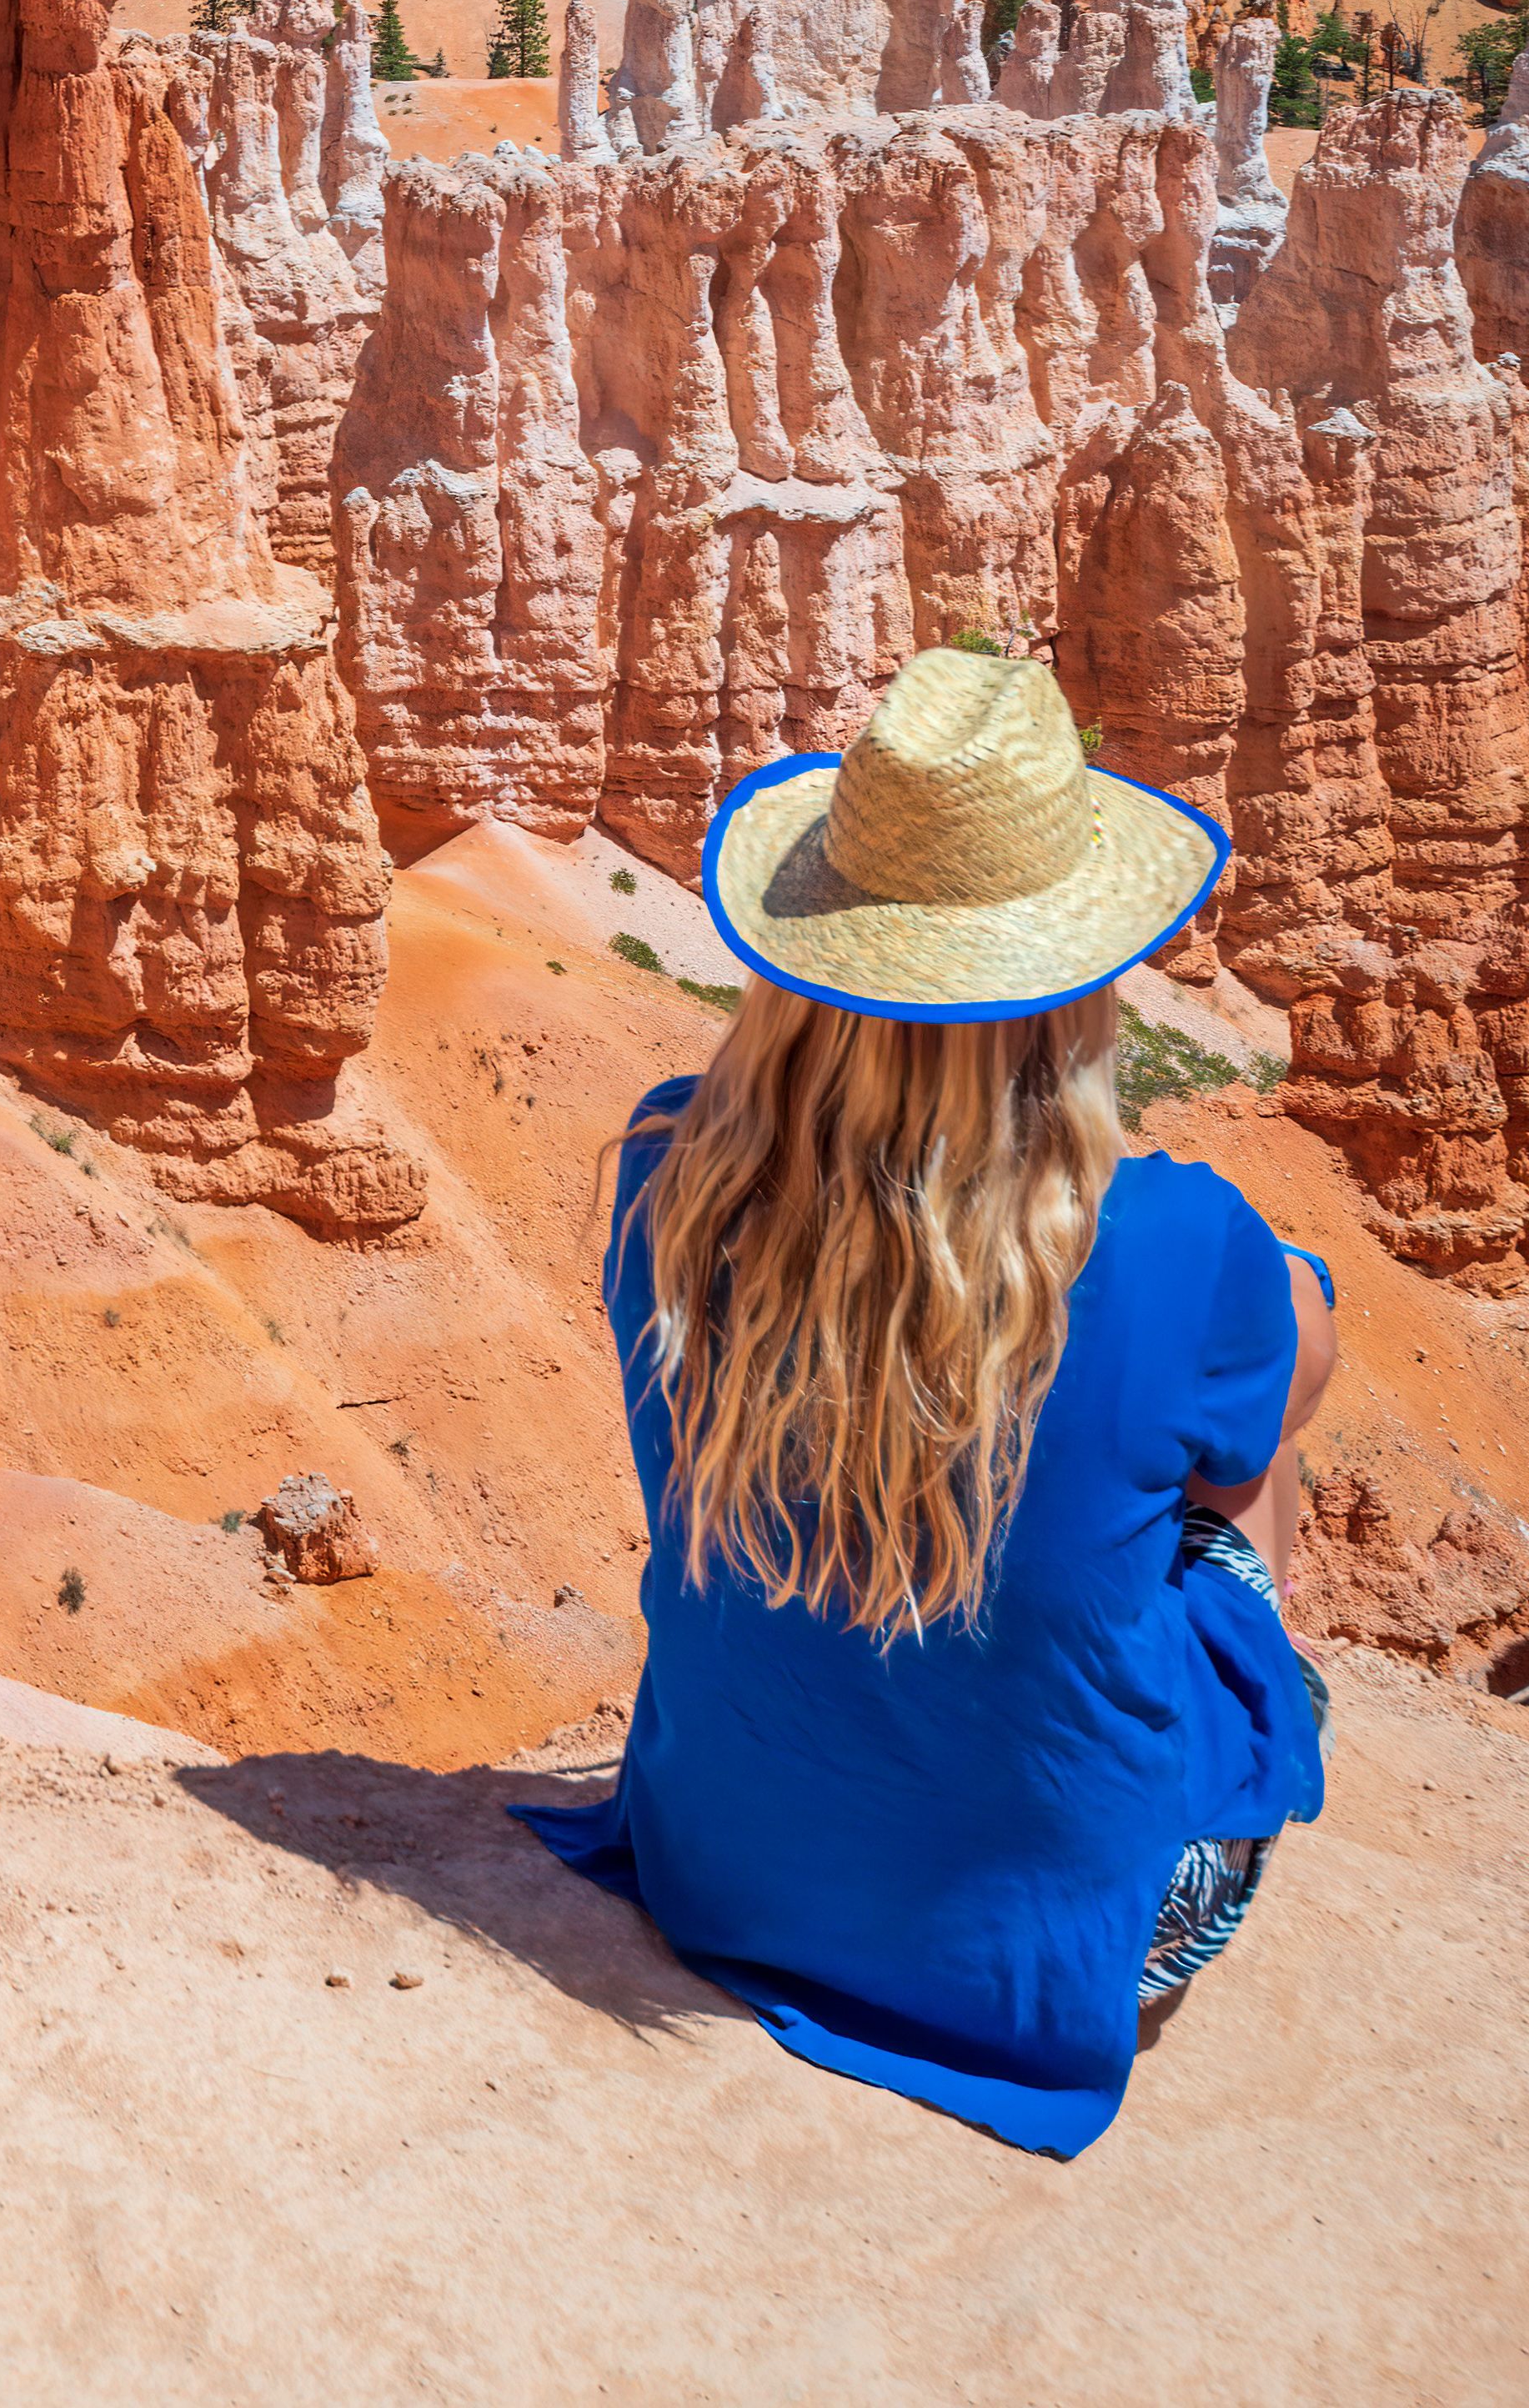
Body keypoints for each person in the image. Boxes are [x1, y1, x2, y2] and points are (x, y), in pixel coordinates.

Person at [522, 645, 1336, 2158]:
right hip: (1043, 1951)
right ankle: (1183, 1724)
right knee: (1252, 1415)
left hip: (720, 1873)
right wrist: (1271, 1285)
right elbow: (1299, 1366)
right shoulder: (1168, 1241)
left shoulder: (662, 1173)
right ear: (1068, 978)